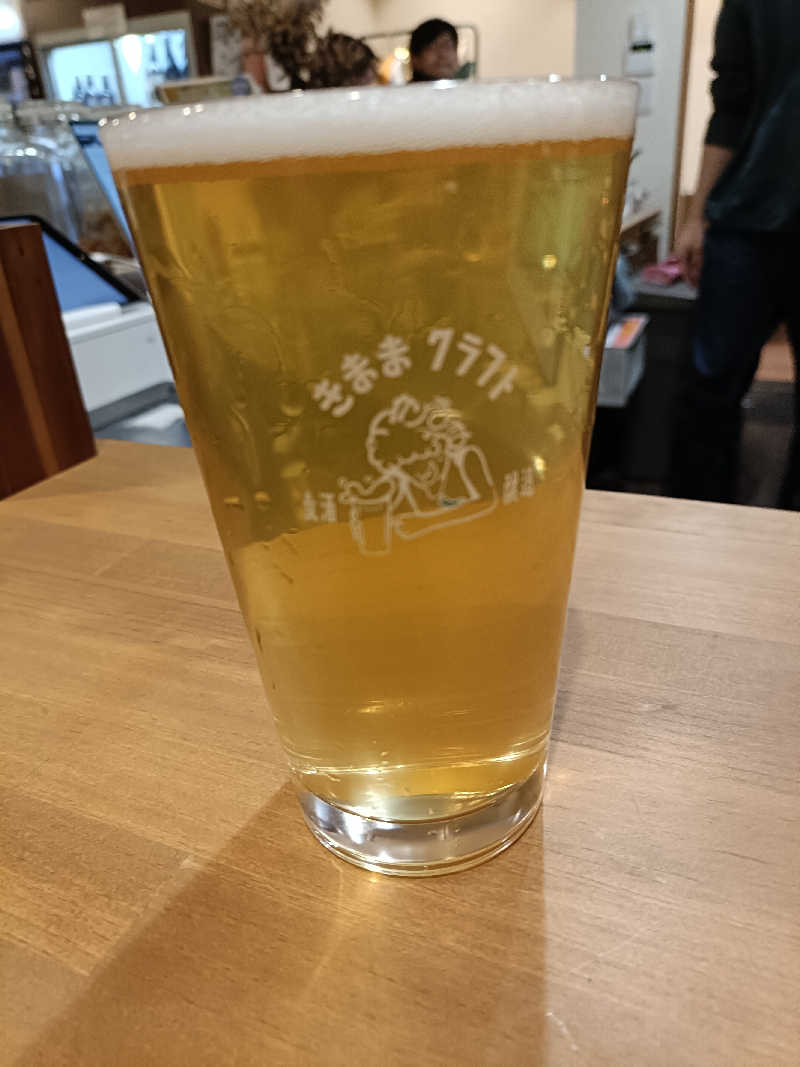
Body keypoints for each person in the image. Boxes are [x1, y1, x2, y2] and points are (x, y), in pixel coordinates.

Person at [673, 0, 800, 508]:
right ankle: (694, 531)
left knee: (709, 390)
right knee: (708, 392)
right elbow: (731, 104)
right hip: (744, 214)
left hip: (745, 214)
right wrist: (695, 217)